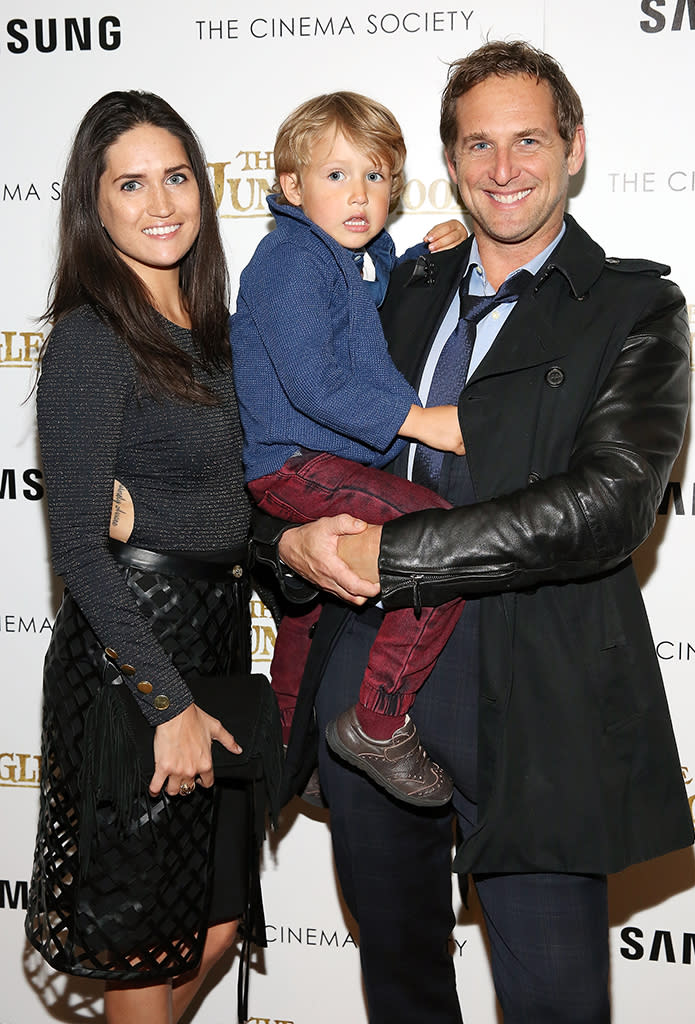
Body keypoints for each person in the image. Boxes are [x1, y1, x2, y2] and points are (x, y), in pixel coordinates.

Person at [264, 41, 695, 1024]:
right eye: (477, 145)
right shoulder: (389, 290)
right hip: (364, 672)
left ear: (572, 147)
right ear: (451, 162)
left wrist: (393, 554)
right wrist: (282, 550)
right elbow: (288, 441)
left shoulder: (632, 308)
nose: (502, 169)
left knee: (553, 1003)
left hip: (532, 682)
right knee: (402, 989)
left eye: (527, 141)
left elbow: (606, 505)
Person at [25, 90, 274, 1024]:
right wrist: (165, 703)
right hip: (132, 665)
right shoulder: (93, 338)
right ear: (97, 206)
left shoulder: (215, 332)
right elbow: (82, 559)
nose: (160, 201)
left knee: (213, 924)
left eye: (176, 176)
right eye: (130, 184)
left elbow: (233, 500)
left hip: (214, 643)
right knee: (141, 949)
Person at [232, 91, 469, 807]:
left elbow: (367, 308)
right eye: (336, 177)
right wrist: (423, 421)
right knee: (434, 542)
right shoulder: (289, 260)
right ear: (292, 188)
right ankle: (377, 719)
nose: (360, 195)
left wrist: (428, 250)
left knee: (308, 622)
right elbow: (318, 382)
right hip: (298, 466)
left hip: (311, 468)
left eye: (375, 176)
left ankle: (283, 753)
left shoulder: (344, 261)